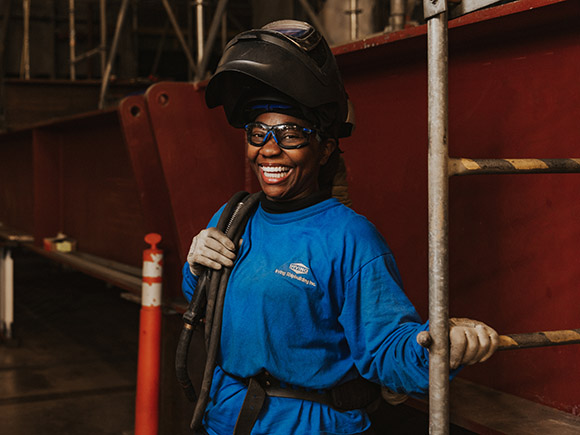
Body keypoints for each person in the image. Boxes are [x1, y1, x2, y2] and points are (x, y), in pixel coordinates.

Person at [182, 19, 498, 435]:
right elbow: (203, 302)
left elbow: (386, 350)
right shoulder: (233, 216)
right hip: (225, 420)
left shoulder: (351, 239)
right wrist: (194, 266)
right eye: (258, 133)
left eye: (290, 134)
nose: (269, 149)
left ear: (325, 147)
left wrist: (441, 344)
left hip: (308, 426)